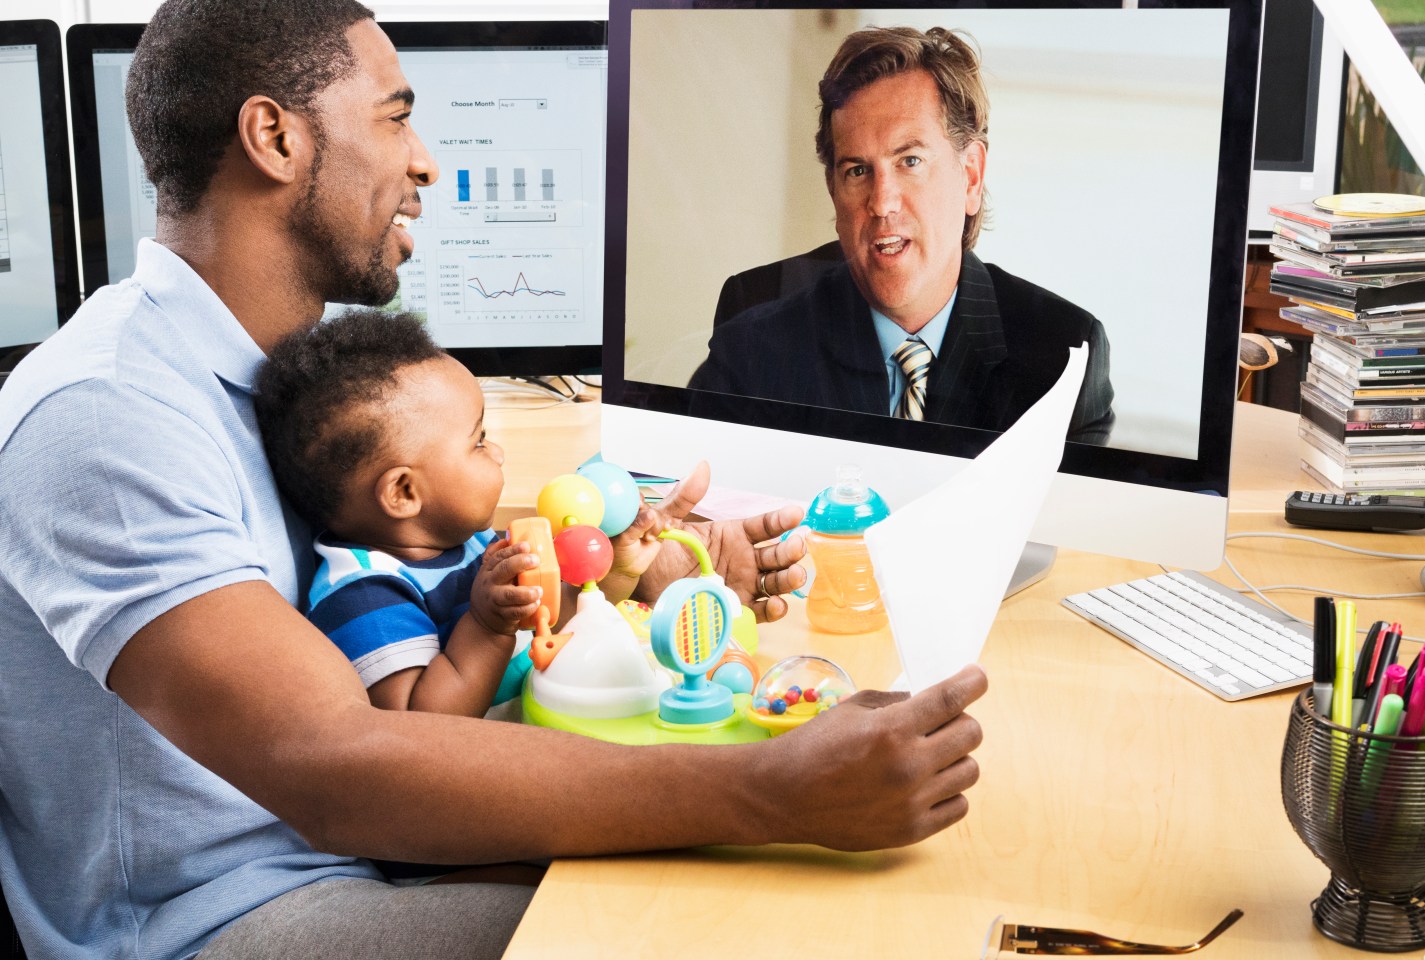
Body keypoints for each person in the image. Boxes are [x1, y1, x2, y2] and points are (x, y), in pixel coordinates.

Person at [0, 3, 987, 959]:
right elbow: (338, 760)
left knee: (772, 880)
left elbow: (431, 597)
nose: (425, 157)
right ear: (274, 136)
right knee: (722, 922)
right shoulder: (108, 417)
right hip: (233, 914)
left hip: (355, 853)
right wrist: (774, 789)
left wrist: (647, 582)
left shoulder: (280, 382)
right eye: (394, 114)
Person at [688, 25, 1115, 445]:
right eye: (857, 171)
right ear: (833, 192)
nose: (882, 202)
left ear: (970, 176)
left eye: (909, 161)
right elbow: (695, 492)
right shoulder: (756, 324)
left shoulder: (1063, 354)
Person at [253, 308, 660, 721]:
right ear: (404, 492)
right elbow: (419, 723)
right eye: (479, 441)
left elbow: (552, 618)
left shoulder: (466, 539)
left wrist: (616, 573)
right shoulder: (363, 594)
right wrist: (487, 627)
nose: (498, 452)